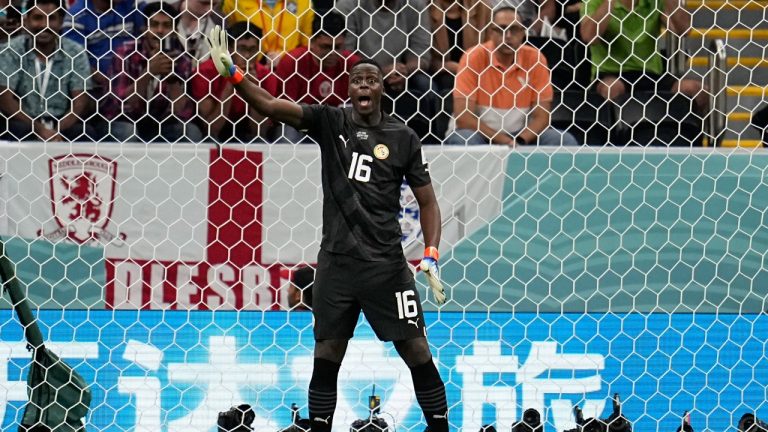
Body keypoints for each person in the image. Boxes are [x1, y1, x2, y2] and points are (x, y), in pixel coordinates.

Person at [206, 25, 450, 432]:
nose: (364, 84)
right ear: (349, 88)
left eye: (371, 79)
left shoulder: (403, 138)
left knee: (417, 350)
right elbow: (269, 104)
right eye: (357, 79)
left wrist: (431, 253)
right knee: (327, 353)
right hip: (336, 267)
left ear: (381, 89)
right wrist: (234, 73)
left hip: (386, 267)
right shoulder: (329, 121)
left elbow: (428, 201)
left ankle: (440, 427)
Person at [445, 6, 578, 146]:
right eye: (501, 29)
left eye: (514, 29)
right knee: (464, 139)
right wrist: (504, 140)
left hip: (519, 134)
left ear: (523, 33)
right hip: (479, 132)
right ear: (491, 32)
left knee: (563, 140)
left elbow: (542, 117)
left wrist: (520, 139)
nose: (508, 35)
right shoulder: (473, 57)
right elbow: (464, 118)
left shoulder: (535, 59)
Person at [335, 0, 438, 142]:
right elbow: (343, 54)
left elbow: (422, 53)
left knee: (426, 86)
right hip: (358, 74)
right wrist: (379, 72)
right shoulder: (348, 5)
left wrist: (404, 70)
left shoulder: (415, 4)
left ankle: (429, 144)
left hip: (402, 75)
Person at [580, 0, 707, 113]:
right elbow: (589, 37)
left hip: (651, 75)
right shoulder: (593, 2)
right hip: (612, 73)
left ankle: (692, 138)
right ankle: (613, 138)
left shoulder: (653, 3)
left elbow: (684, 30)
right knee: (612, 88)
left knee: (696, 90)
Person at [105, 2, 202, 143]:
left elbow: (183, 113)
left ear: (175, 31)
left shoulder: (182, 59)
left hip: (160, 125)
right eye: (154, 25)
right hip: (123, 122)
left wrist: (171, 77)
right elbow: (121, 107)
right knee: (128, 132)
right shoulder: (125, 53)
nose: (160, 30)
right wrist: (149, 72)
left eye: (166, 26)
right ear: (144, 29)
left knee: (191, 132)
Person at [0, 0, 96, 141]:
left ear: (61, 22)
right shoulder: (11, 50)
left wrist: (55, 131)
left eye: (51, 18)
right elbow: (4, 99)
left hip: (62, 123)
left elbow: (80, 102)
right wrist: (39, 129)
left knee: (84, 132)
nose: (45, 25)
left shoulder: (75, 52)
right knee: (16, 130)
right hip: (22, 122)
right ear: (26, 21)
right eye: (38, 18)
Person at [273, 11, 360, 142]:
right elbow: (284, 113)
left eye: (338, 47)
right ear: (312, 42)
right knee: (288, 131)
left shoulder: (353, 65)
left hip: (339, 126)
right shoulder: (292, 62)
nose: (332, 53)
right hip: (300, 125)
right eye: (325, 47)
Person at [191, 21, 277, 143]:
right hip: (216, 130)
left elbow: (259, 132)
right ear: (229, 49)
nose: (247, 56)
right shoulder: (206, 72)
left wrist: (254, 89)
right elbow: (211, 129)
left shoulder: (266, 77)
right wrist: (232, 83)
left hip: (247, 130)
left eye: (252, 50)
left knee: (260, 141)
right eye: (242, 49)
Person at [221, 0, 314, 68]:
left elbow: (307, 45)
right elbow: (228, 38)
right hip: (248, 68)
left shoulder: (303, 2)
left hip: (288, 70)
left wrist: (284, 58)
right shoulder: (234, 2)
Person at [176, 0, 224, 65]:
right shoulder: (165, 13)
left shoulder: (220, 20)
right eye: (204, 3)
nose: (210, 10)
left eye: (214, 4)